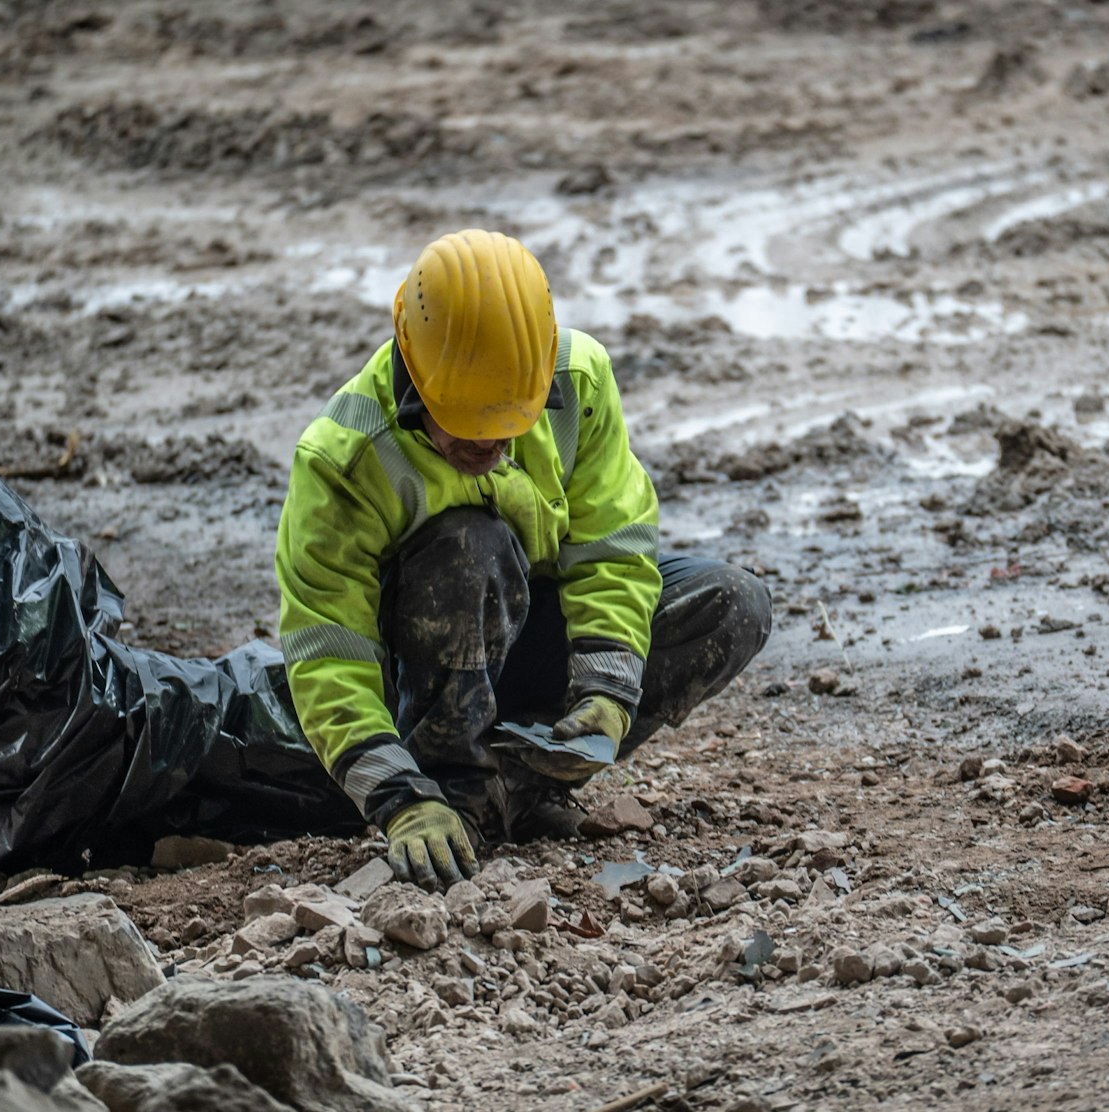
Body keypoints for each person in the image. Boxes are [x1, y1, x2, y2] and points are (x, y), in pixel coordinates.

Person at [276, 230, 772, 891]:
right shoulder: (345, 458)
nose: (490, 444)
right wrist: (397, 795)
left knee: (731, 605)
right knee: (467, 548)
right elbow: (327, 647)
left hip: (528, 632)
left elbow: (613, 549)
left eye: (507, 424)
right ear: (415, 373)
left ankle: (516, 785)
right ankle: (448, 796)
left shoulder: (578, 380)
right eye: (467, 426)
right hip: (422, 676)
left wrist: (607, 691)